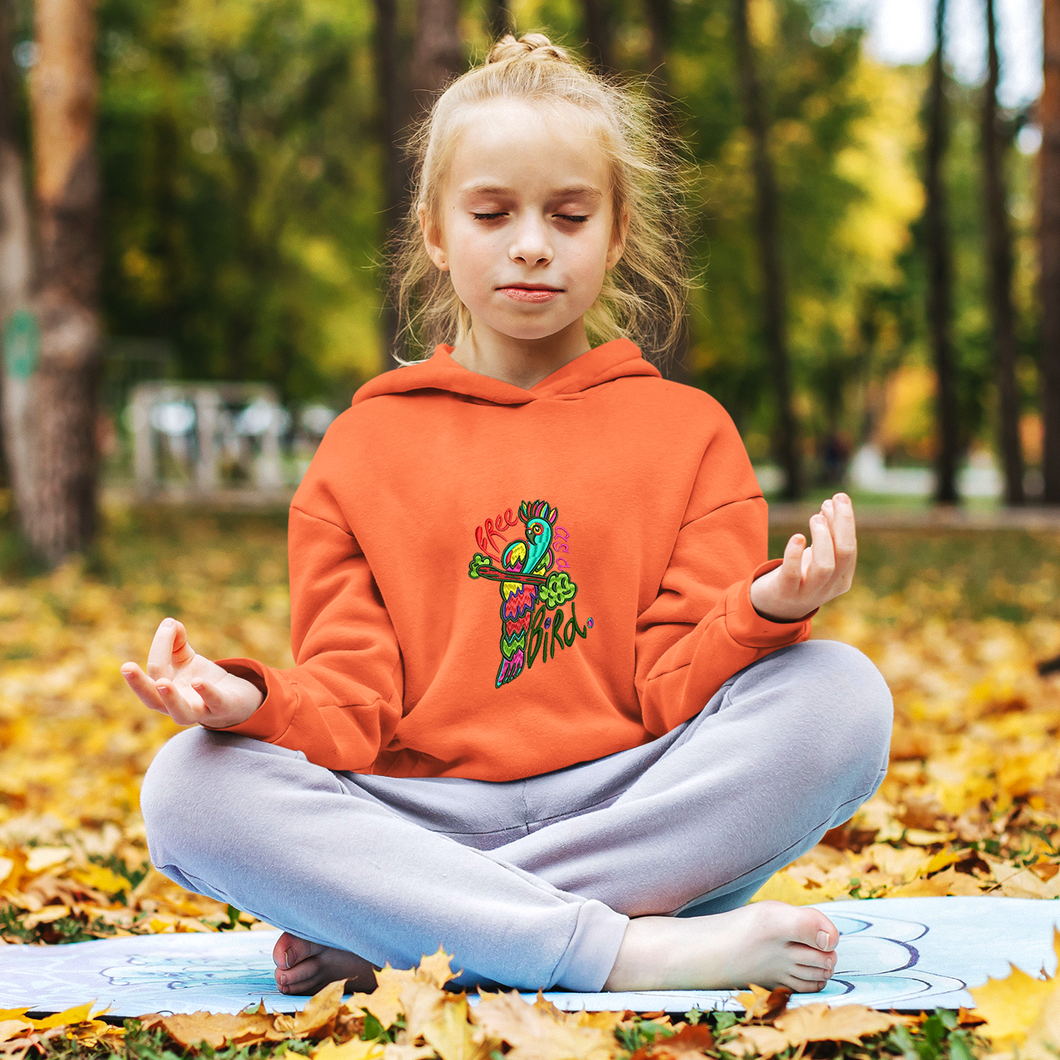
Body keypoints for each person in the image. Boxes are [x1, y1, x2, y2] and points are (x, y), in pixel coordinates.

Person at [122, 33, 892, 999]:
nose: (531, 242)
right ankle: (621, 951)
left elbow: (671, 691)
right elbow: (354, 707)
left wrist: (771, 606)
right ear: (437, 232)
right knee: (190, 787)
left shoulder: (690, 433)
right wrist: (249, 702)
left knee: (841, 695)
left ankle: (417, 935)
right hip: (416, 819)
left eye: (569, 215)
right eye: (492, 212)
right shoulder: (360, 450)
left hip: (631, 801)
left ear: (616, 235)